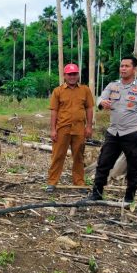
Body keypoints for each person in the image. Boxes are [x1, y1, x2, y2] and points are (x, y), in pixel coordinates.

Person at [88, 56, 137, 203]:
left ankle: (129, 197)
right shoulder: (113, 86)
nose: (123, 69)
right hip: (113, 132)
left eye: (127, 66)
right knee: (103, 163)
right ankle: (97, 193)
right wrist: (102, 103)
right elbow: (100, 98)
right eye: (121, 66)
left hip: (131, 134)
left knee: (133, 167)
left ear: (135, 69)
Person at [45, 64, 94, 192]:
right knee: (58, 155)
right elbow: (54, 111)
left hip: (79, 129)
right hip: (62, 128)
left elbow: (89, 108)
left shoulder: (85, 90)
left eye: (74, 74)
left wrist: (89, 126)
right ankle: (52, 182)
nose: (72, 77)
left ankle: (79, 183)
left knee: (79, 156)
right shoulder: (58, 91)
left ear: (78, 75)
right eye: (69, 74)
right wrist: (53, 129)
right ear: (65, 76)